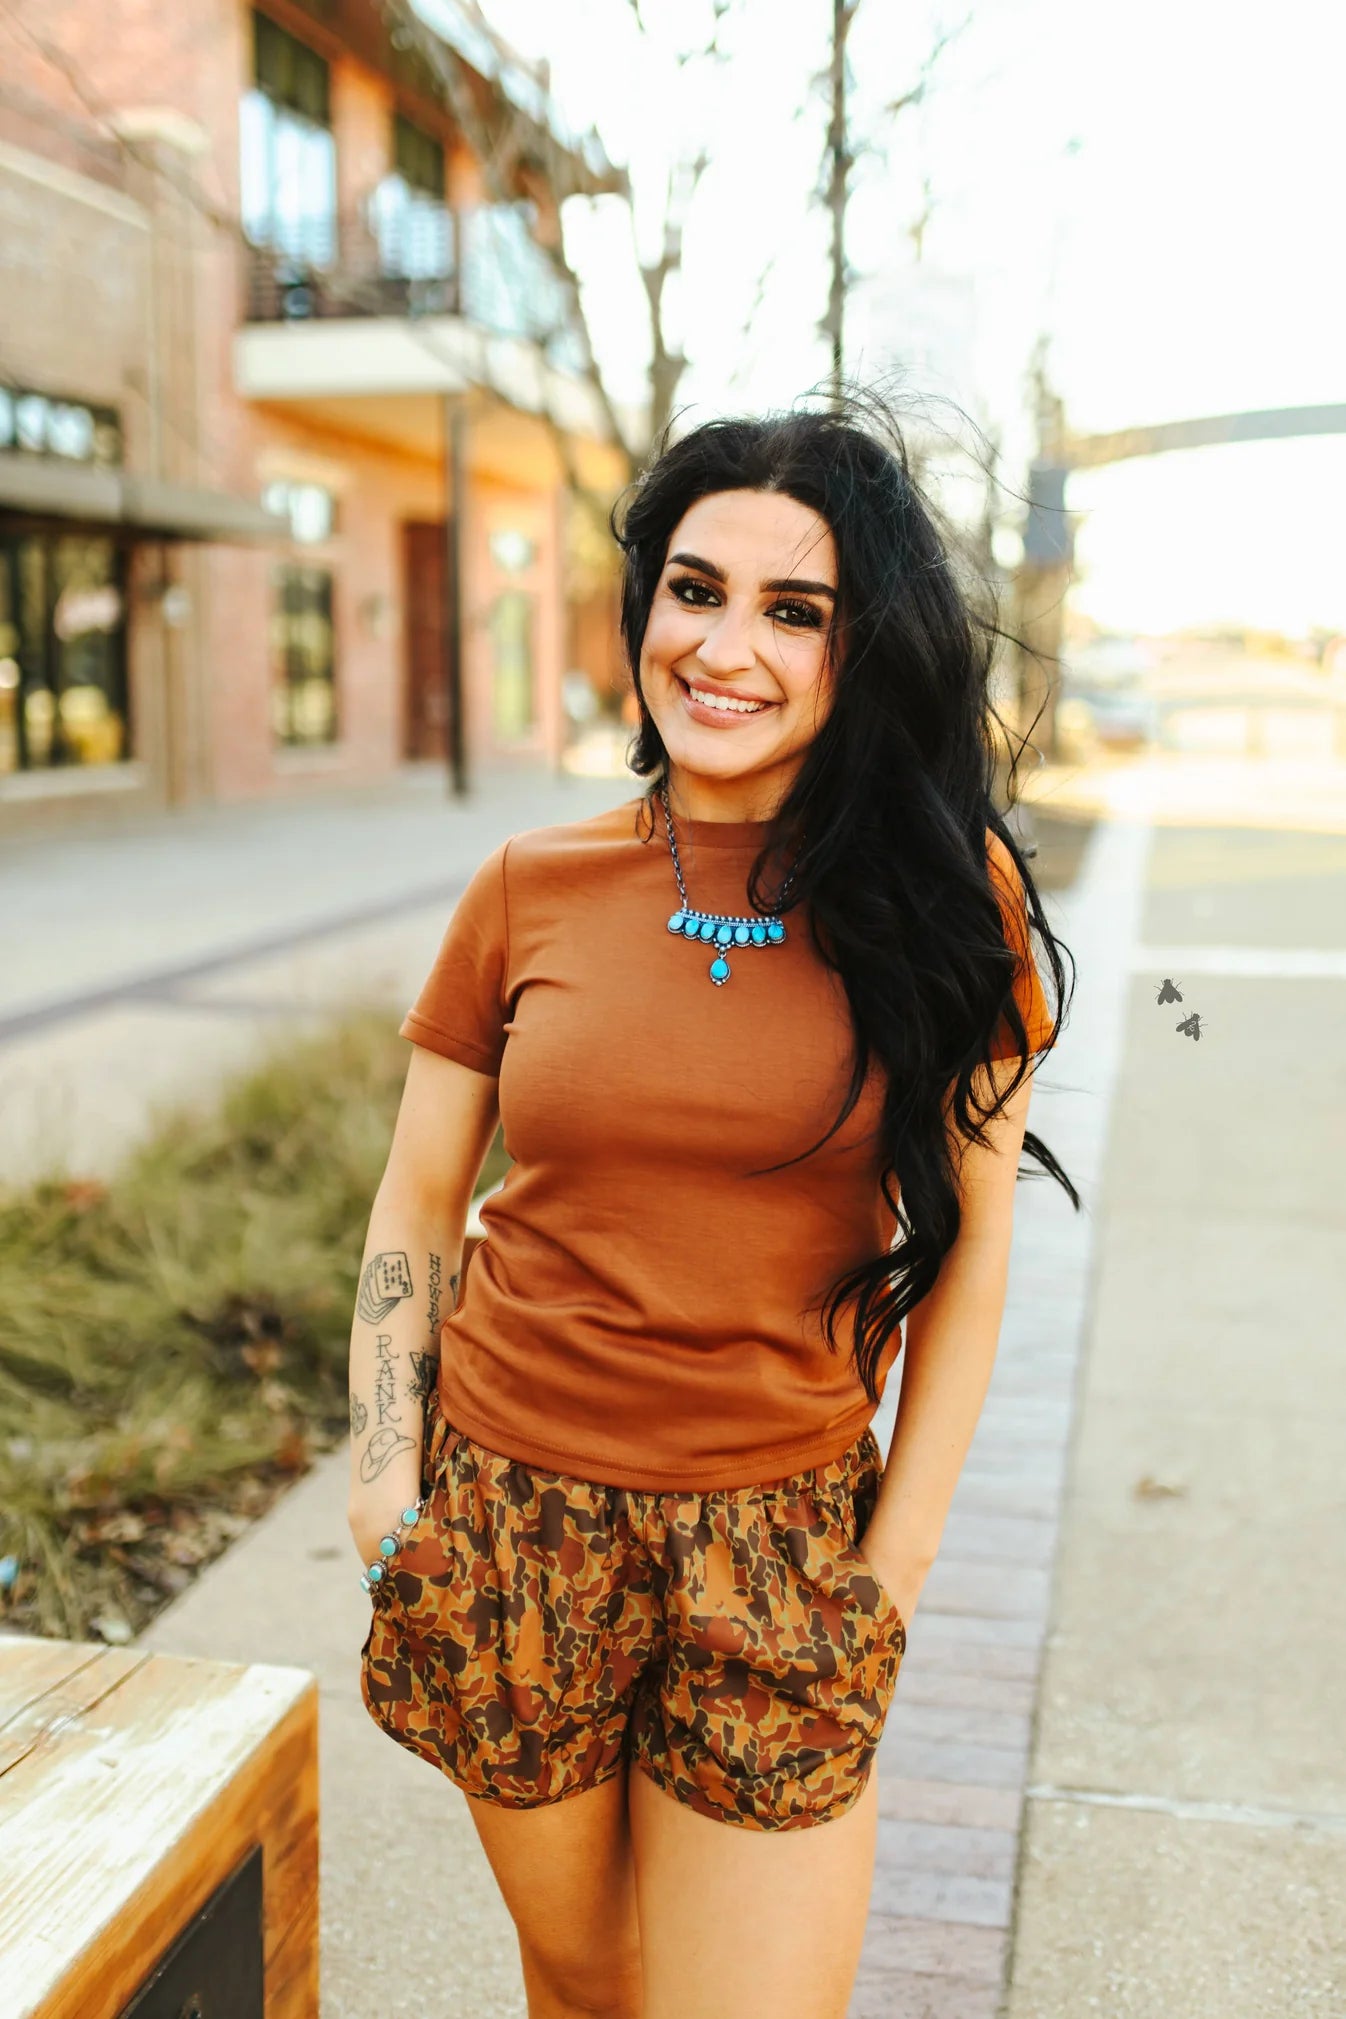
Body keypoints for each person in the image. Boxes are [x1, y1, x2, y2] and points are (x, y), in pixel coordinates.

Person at [349, 390, 1077, 2019]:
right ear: (642, 610)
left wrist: (887, 1576)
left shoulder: (945, 907)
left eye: (792, 609)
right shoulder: (528, 886)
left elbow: (972, 1266)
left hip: (778, 1539)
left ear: (856, 649)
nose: (724, 646)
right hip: (508, 1520)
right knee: (584, 1986)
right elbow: (417, 1202)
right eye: (694, 589)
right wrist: (385, 1483)